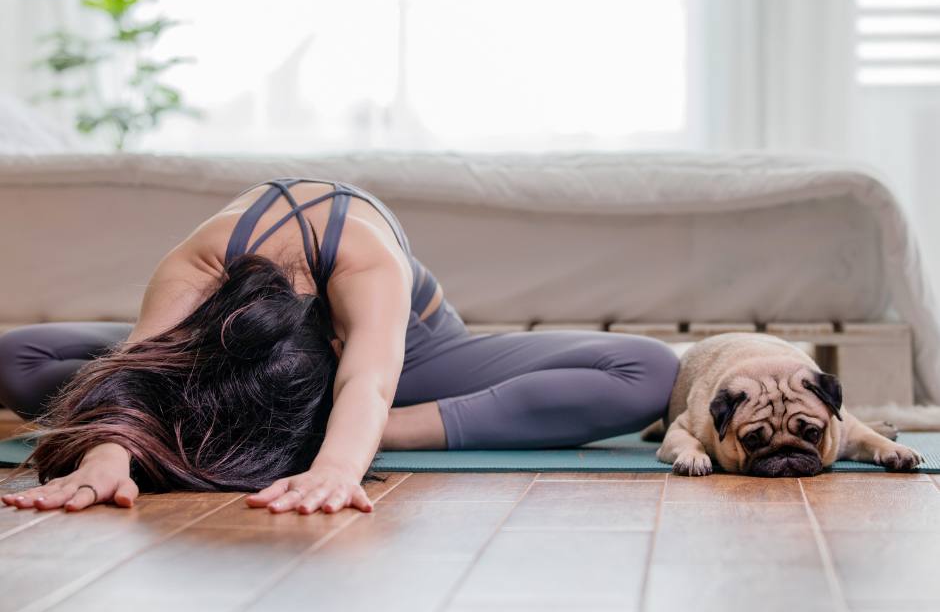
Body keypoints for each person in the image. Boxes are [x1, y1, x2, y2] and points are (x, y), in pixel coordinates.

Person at [0, 179, 679, 515]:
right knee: (17, 358)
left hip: (412, 360)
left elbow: (366, 384)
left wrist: (337, 464)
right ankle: (263, 415)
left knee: (646, 370)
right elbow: (139, 374)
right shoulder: (199, 265)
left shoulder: (364, 267)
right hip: (221, 366)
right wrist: (106, 457)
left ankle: (362, 435)